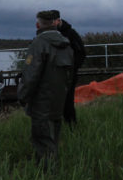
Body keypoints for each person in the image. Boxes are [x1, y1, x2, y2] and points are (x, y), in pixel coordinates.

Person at [17, 10, 74, 169]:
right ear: (55, 23)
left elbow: (30, 75)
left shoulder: (39, 44)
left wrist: (22, 96)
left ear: (38, 24)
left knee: (42, 140)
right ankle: (52, 169)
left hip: (41, 101)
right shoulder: (66, 43)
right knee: (53, 137)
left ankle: (48, 177)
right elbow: (71, 74)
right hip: (58, 100)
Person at [51, 10, 86, 126]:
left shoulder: (70, 33)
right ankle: (57, 126)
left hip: (68, 74)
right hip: (54, 74)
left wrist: (73, 68)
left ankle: (72, 125)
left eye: (53, 21)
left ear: (58, 20)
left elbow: (81, 52)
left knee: (67, 101)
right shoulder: (49, 34)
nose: (51, 24)